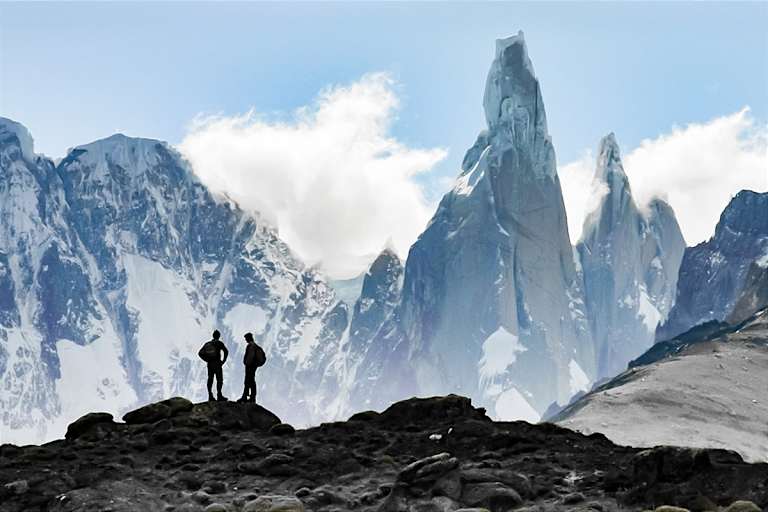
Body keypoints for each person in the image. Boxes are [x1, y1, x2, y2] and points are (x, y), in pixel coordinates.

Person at [198, 330, 229, 401]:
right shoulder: (219, 343)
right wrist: (223, 361)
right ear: (218, 336)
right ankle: (219, 395)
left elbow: (200, 353)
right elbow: (226, 351)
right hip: (217, 363)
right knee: (219, 380)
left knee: (210, 379)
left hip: (210, 364)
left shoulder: (207, 343)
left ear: (213, 336)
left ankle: (210, 395)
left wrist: (207, 360)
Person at [237, 332, 265, 403]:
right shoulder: (255, 345)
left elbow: (250, 356)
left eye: (246, 338)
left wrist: (247, 363)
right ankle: (251, 397)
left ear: (249, 338)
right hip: (253, 365)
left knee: (248, 381)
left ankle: (245, 397)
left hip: (250, 366)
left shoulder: (251, 346)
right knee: (251, 380)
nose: (245, 340)